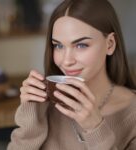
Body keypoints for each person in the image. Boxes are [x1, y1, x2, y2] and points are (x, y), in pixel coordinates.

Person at [7, 0, 136, 149]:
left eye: (81, 45)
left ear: (110, 44)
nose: (66, 61)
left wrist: (95, 128)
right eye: (58, 45)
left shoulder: (132, 114)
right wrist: (31, 117)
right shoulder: (45, 106)